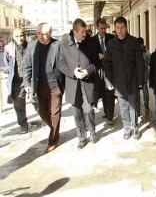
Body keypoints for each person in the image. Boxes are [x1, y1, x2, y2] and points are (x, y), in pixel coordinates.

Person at [58, 18, 101, 149]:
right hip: (73, 86)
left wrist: (87, 71)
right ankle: (81, 137)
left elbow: (97, 63)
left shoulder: (90, 45)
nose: (85, 34)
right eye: (82, 31)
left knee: (88, 111)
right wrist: (73, 72)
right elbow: (61, 64)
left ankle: (93, 132)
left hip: (87, 84)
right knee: (77, 113)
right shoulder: (65, 46)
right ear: (75, 31)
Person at [23, 23, 65, 153]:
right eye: (38, 33)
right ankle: (54, 129)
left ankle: (53, 139)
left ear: (50, 34)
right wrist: (27, 84)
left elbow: (63, 64)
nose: (41, 36)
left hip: (55, 86)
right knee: (42, 112)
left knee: (55, 113)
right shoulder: (31, 46)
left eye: (44, 34)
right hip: (39, 86)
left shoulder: (57, 45)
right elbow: (27, 67)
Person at [103, 17, 145, 140]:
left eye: (122, 28)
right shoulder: (111, 44)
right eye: (118, 28)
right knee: (123, 108)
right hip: (118, 82)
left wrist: (140, 81)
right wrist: (108, 81)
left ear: (126, 28)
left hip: (132, 80)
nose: (120, 31)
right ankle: (127, 129)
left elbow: (140, 63)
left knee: (133, 106)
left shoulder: (134, 42)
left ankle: (135, 127)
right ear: (115, 29)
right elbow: (107, 65)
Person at [4, 28, 29, 134]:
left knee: (37, 101)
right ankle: (23, 125)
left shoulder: (31, 46)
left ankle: (46, 119)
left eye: (22, 35)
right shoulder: (8, 48)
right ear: (13, 37)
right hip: (17, 82)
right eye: (17, 36)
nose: (20, 38)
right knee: (19, 105)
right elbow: (7, 62)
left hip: (30, 79)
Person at [92, 18, 115, 125]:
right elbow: (89, 56)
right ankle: (106, 112)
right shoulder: (92, 41)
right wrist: (97, 56)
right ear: (97, 27)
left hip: (110, 70)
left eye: (105, 28)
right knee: (102, 93)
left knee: (109, 93)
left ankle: (110, 116)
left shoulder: (111, 38)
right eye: (101, 28)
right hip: (99, 71)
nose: (103, 30)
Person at [136, 37, 150, 117]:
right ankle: (137, 110)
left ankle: (146, 105)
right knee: (137, 94)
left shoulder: (146, 52)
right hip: (137, 76)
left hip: (144, 75)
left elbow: (149, 62)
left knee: (145, 92)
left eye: (140, 45)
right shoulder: (134, 50)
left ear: (142, 45)